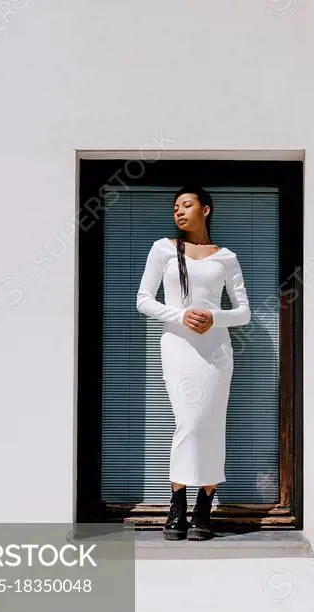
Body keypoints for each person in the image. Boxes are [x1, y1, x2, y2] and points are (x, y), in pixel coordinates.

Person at [135, 186, 251, 540]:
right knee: (188, 422)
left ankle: (203, 507)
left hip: (216, 352)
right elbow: (143, 300)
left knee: (212, 425)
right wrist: (181, 315)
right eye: (175, 207)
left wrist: (214, 318)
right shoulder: (164, 249)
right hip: (178, 348)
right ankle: (177, 503)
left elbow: (244, 313)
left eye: (187, 205)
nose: (179, 212)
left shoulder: (226, 257)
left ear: (206, 210)